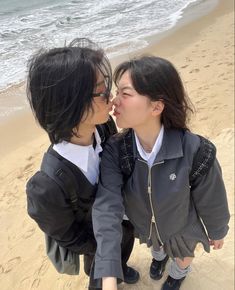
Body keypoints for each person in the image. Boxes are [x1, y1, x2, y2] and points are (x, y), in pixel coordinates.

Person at [92, 55, 230, 290]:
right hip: (146, 225)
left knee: (183, 257)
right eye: (117, 92)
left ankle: (177, 274)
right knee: (156, 247)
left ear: (156, 106)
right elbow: (107, 207)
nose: (114, 101)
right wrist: (107, 277)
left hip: (181, 226)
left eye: (125, 94)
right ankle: (159, 259)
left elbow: (212, 198)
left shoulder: (196, 150)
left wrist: (217, 230)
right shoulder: (116, 150)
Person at [25, 38, 139, 290]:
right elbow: (67, 236)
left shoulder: (104, 127)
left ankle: (121, 267)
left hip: (121, 222)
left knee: (123, 250)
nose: (109, 95)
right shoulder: (48, 185)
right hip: (96, 243)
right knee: (100, 274)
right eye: (101, 91)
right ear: (71, 105)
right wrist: (103, 244)